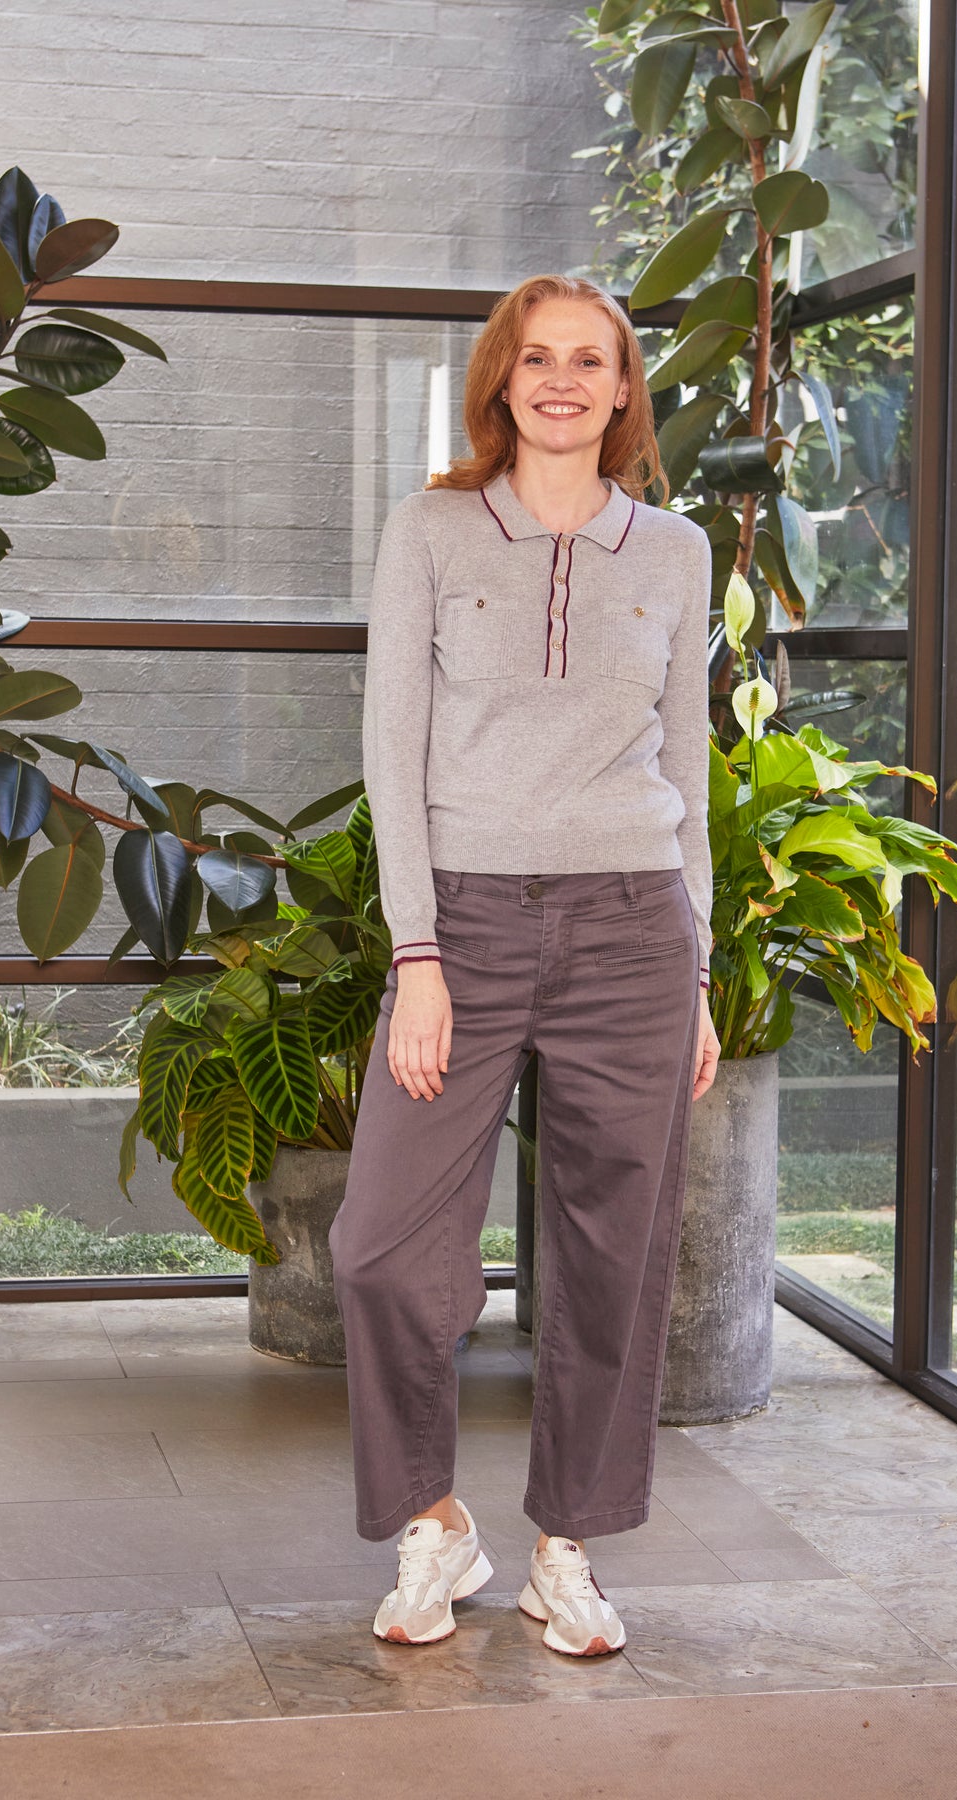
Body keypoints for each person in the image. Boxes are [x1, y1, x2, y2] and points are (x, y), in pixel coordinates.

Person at [329, 272, 720, 1659]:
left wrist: (699, 972)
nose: (562, 381)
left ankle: (568, 1547)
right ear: (503, 380)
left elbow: (689, 765)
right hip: (469, 927)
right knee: (380, 1246)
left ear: (622, 391)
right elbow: (393, 753)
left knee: (617, 1249)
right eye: (538, 358)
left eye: (589, 361)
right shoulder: (433, 530)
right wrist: (418, 954)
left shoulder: (674, 550)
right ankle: (434, 1522)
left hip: (634, 928)